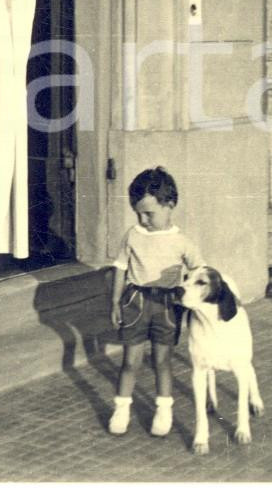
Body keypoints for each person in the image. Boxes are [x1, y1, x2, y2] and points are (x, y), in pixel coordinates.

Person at [108, 166, 203, 437]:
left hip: (167, 306)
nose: (143, 219)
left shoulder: (181, 241)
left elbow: (200, 271)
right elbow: (120, 267)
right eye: (138, 213)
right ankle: (122, 408)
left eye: (149, 213)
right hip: (136, 302)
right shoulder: (133, 235)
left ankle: (164, 409)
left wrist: (194, 300)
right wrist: (115, 302)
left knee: (162, 360)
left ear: (169, 205)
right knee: (130, 361)